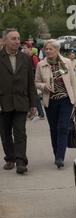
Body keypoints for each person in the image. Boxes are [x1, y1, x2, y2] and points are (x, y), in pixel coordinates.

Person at [35, 39, 76, 169]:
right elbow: (36, 82)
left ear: (57, 50)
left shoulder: (67, 63)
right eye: (46, 49)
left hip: (66, 100)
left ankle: (60, 157)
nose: (48, 51)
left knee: (63, 127)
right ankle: (57, 154)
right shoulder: (40, 65)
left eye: (51, 49)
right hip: (50, 101)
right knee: (54, 129)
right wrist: (44, 86)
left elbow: (73, 83)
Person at [0, 28, 37, 174]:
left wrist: (33, 104)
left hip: (21, 101)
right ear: (4, 40)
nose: (17, 41)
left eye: (18, 38)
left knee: (20, 132)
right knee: (5, 132)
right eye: (13, 38)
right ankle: (10, 158)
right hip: (3, 102)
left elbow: (31, 83)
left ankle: (21, 161)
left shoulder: (25, 58)